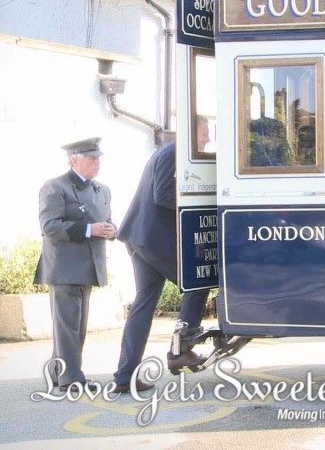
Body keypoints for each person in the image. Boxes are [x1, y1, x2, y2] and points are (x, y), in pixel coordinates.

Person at [112, 120, 211, 393]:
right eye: (204, 134)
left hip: (141, 239)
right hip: (152, 241)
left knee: (143, 305)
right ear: (192, 133)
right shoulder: (173, 153)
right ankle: (180, 350)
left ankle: (124, 376)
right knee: (197, 282)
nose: (206, 139)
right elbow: (163, 195)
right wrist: (199, 202)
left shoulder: (167, 152)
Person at [36, 137, 116, 393]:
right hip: (64, 267)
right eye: (92, 158)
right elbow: (49, 226)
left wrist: (110, 230)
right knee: (68, 326)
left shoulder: (101, 190)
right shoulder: (55, 187)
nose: (97, 162)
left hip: (88, 265)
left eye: (98, 157)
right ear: (75, 160)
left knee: (75, 327)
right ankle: (71, 379)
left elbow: (106, 222)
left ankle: (57, 372)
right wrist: (89, 229)